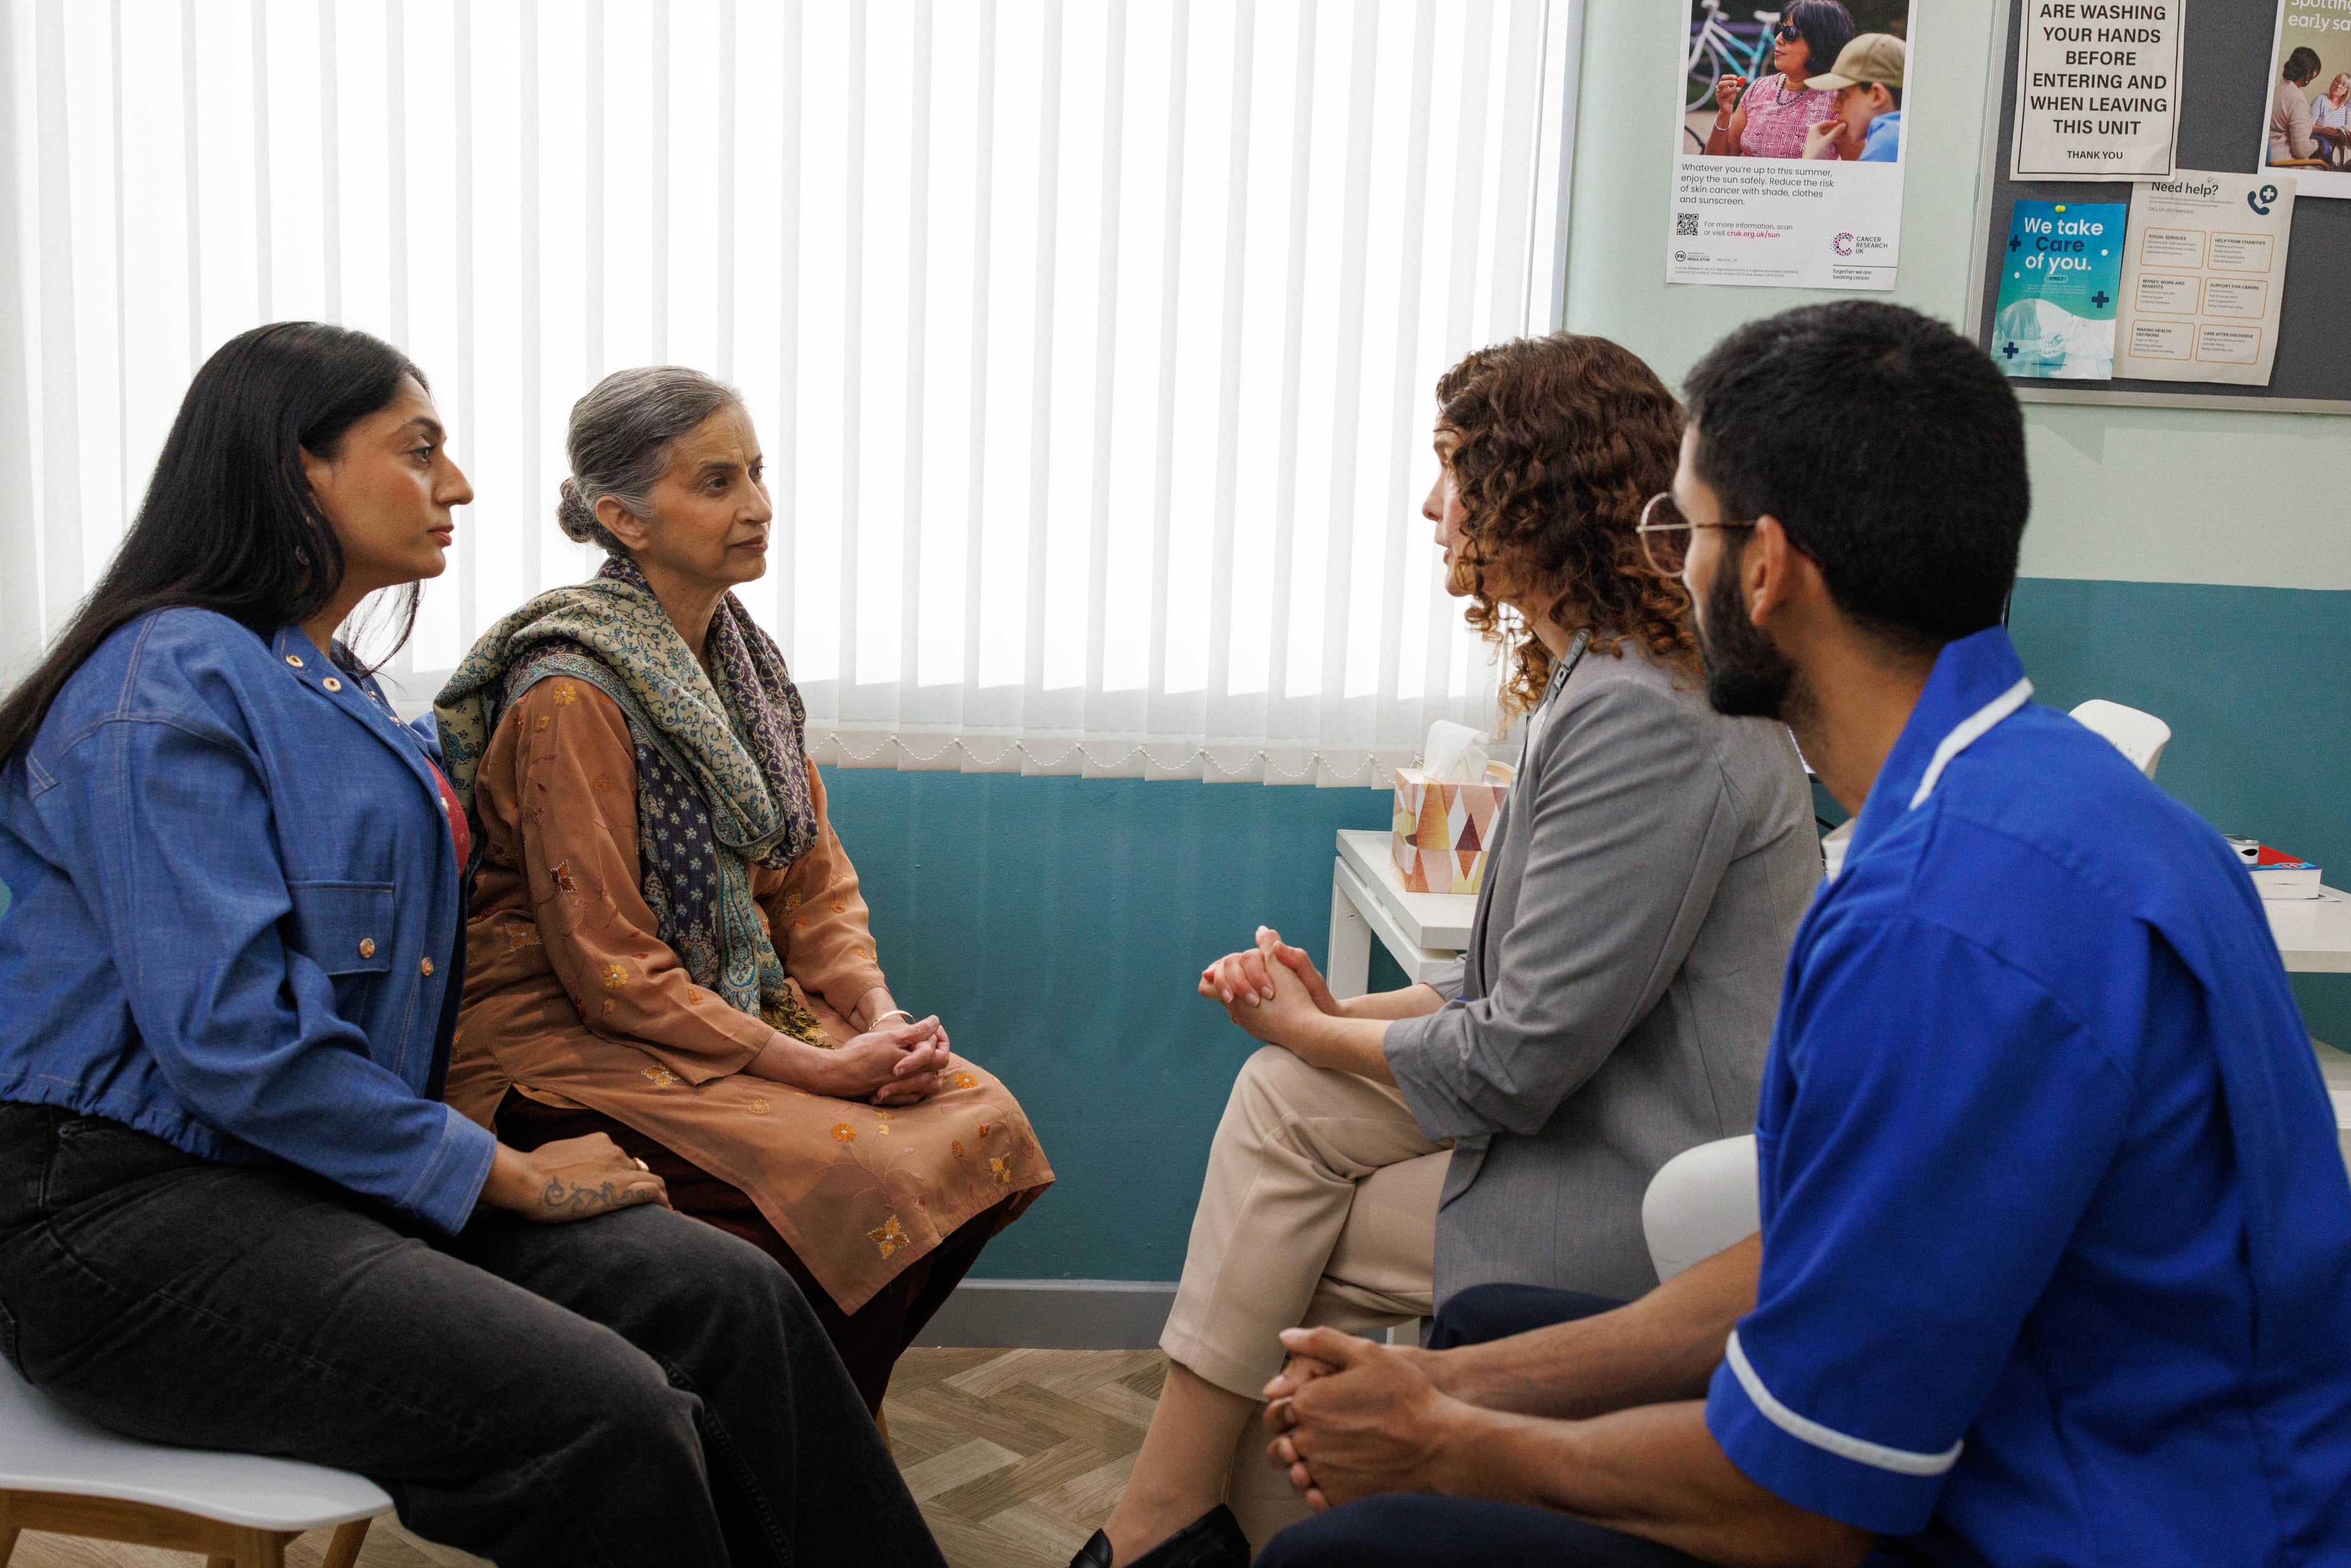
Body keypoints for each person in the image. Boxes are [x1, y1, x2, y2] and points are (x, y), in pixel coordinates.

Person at [1248, 301, 2351, 1567]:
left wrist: (1446, 1437)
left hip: (2088, 1521)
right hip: (2157, 1449)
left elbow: (1810, 1501)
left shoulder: (1940, 919)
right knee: (1487, 1323)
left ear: (1764, 566)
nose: (1671, 564)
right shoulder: (2061, 802)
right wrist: (1472, 1381)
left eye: (1684, 528)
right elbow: (1810, 1256)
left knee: (1348, 1552)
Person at [0, 324, 946, 1566]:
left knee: (732, 1294)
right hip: (125, 1212)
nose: (461, 484)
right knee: (605, 1416)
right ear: (300, 473)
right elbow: (236, 1037)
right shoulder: (163, 684)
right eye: (420, 449)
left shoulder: (333, 683)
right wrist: (500, 1169)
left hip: (309, 1173)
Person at [1071, 334, 1819, 1568]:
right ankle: (1198, 1523)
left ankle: (1170, 1519)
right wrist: (1332, 1009)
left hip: (1657, 1171)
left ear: (1543, 494)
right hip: (1602, 1106)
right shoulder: (1601, 673)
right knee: (1284, 1101)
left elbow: (1522, 1054)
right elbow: (1499, 985)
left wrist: (1316, 1029)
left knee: (1299, 1230)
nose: (1432, 506)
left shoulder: (1641, 714)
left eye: (1456, 473)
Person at [437, 366, 1051, 1417]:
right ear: (622, 516)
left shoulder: (743, 662)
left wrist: (876, 1015)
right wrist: (819, 1074)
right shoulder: (570, 691)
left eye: (757, 472)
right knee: (855, 1175)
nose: (759, 505)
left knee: (978, 1121)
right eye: (716, 481)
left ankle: (813, 1433)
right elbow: (610, 969)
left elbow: (811, 877)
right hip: (559, 1032)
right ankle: (788, 1453)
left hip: (721, 996)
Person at [1703, 1, 1854, 159]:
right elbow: (1720, 163)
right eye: (1779, 29)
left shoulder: (1838, 102)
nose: (1777, 39)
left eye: (1790, 33)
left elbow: (1857, 173)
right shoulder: (1758, 88)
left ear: (1820, 44)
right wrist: (1724, 113)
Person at [1799, 34, 1903, 163]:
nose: (1834, 108)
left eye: (1843, 95)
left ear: (1877, 96)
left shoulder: (1887, 141)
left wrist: (1810, 158)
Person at [2271, 45, 2323, 164]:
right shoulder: (2297, 99)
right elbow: (2301, 150)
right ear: (2308, 73)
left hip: (2272, 153)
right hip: (2286, 161)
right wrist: (2317, 144)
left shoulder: (2280, 88)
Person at [2312, 72, 2351, 167]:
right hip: (2321, 141)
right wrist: (2322, 131)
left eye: (2343, 85)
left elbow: (2348, 129)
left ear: (2347, 91)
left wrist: (2340, 134)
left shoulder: (2347, 106)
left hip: (2340, 143)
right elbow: (2308, 126)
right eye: (2337, 81)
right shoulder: (2321, 100)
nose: (2338, 86)